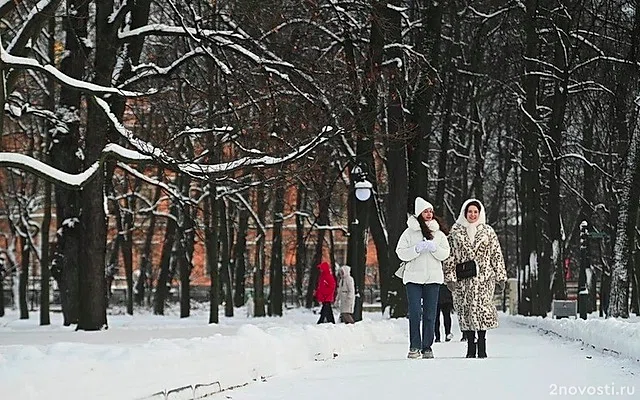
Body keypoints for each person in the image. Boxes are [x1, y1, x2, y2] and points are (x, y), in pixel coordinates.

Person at [444, 199, 507, 358]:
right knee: (466, 310)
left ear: (480, 214)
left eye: (475, 212)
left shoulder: (488, 231)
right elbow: (449, 256)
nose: (472, 215)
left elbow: (496, 254)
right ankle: (470, 345)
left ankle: (482, 344)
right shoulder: (456, 231)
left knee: (482, 309)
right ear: (465, 213)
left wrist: (500, 277)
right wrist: (450, 278)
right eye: (470, 211)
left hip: (484, 278)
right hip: (464, 278)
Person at [396, 197, 450, 359]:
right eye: (426, 211)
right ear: (419, 213)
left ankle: (427, 346)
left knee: (430, 313)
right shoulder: (409, 232)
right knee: (414, 312)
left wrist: (434, 248)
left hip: (433, 278)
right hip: (413, 278)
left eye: (431, 211)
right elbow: (400, 252)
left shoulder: (438, 233)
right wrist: (416, 249)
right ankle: (414, 346)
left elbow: (445, 254)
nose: (429, 214)